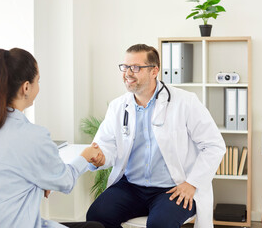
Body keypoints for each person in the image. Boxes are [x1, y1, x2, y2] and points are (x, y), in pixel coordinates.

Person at [0, 48, 104, 228]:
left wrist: (34, 185)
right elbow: (65, 181)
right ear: (26, 87)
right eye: (37, 81)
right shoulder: (33, 136)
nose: (38, 86)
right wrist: (85, 156)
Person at [86, 44, 226, 228]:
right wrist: (100, 157)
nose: (128, 73)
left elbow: (214, 145)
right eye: (125, 67)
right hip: (131, 187)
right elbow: (105, 145)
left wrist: (191, 183)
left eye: (135, 67)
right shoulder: (118, 107)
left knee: (160, 224)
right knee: (97, 216)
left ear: (154, 71)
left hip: (172, 189)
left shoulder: (185, 102)